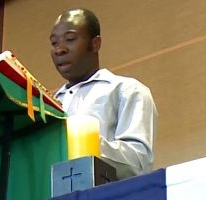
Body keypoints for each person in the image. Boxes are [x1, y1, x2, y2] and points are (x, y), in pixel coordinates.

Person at [50, 8, 157, 179]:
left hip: (109, 195)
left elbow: (138, 162)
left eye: (70, 39)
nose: (59, 49)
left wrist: (82, 142)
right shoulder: (49, 104)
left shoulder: (127, 90)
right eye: (54, 42)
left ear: (95, 44)